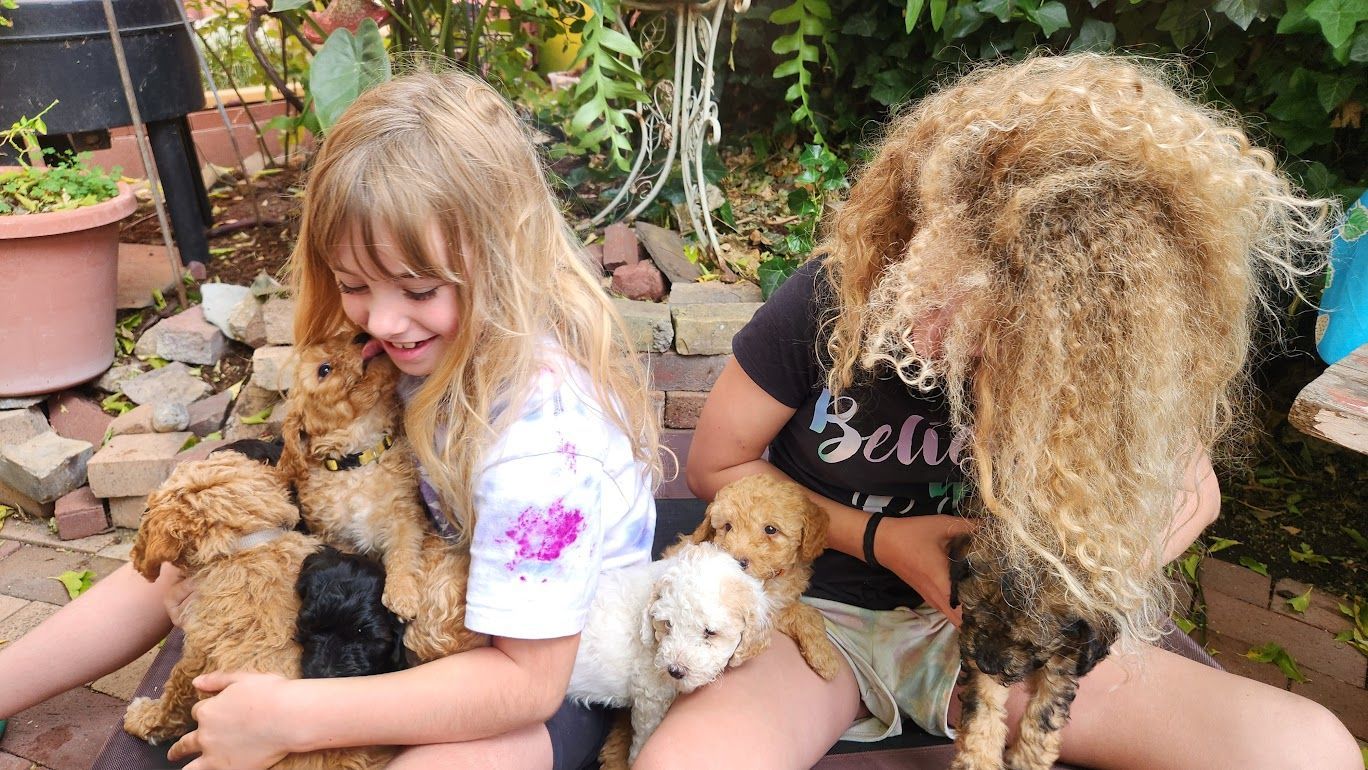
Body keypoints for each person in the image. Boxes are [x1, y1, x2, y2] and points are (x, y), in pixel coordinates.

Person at [637, 54, 1361, 769]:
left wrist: (1064, 593)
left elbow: (1195, 494)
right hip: (812, 612)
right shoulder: (837, 299)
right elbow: (715, 466)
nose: (933, 338)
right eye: (942, 292)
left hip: (990, 645)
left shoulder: (1109, 362)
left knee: (1309, 750)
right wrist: (886, 541)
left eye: (1005, 339)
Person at [0, 69, 659, 770]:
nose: (383, 321)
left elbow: (526, 685)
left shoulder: (545, 446)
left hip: (545, 670)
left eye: (419, 290)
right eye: (353, 285)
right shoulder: (409, 342)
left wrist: (291, 718)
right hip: (425, 582)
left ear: (505, 259)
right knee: (209, 543)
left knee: (471, 756)